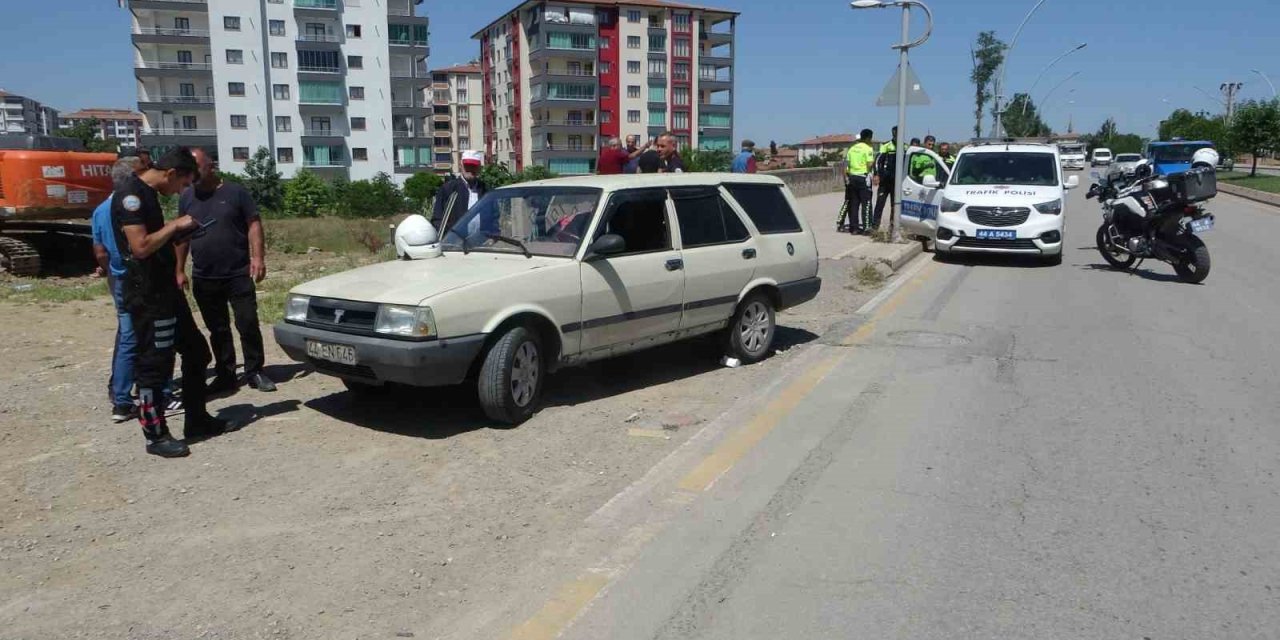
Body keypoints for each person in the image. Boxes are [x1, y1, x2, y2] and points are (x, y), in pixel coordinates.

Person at [112, 147, 238, 458]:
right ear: (171, 173)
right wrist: (174, 226)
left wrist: (177, 237)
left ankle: (197, 420)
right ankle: (156, 435)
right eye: (182, 184)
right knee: (154, 365)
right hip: (148, 296)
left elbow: (155, 241)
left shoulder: (149, 194)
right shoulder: (132, 195)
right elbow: (139, 247)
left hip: (166, 291)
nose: (181, 191)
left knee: (196, 352)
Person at [175, 148, 275, 396]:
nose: (193, 172)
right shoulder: (186, 197)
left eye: (197, 166)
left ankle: (255, 371)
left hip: (238, 272)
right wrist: (178, 269)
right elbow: (181, 237)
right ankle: (226, 374)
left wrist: (258, 257)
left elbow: (254, 223)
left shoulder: (236, 192)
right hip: (204, 275)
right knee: (217, 329)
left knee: (247, 322)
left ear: (211, 166)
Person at [92, 157, 182, 423]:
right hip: (140, 281)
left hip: (118, 280)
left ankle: (120, 396)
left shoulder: (100, 210)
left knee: (127, 337)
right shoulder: (132, 204)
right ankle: (159, 395)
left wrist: (111, 271)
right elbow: (143, 246)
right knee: (150, 338)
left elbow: (99, 251)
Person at [432, 151, 489, 232]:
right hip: (455, 242)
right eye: (467, 166)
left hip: (481, 242)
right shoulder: (448, 189)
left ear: (479, 167)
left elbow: (493, 217)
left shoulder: (485, 190)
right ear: (460, 166)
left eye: (474, 166)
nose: (470, 169)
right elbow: (437, 219)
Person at [845, 129, 876, 235]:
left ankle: (854, 228)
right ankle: (867, 227)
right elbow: (869, 164)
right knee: (866, 203)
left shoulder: (851, 148)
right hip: (863, 177)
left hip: (852, 177)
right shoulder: (868, 149)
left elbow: (847, 165)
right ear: (868, 138)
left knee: (854, 204)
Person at [872, 126, 898, 233]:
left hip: (897, 183)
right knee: (880, 203)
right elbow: (877, 161)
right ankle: (875, 227)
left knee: (895, 206)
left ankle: (892, 228)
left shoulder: (905, 147)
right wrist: (877, 174)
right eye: (895, 133)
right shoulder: (886, 145)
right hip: (885, 181)